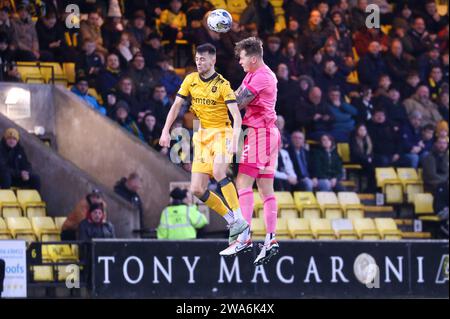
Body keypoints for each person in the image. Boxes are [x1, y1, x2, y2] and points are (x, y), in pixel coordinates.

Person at [159, 43, 247, 248]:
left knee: (218, 172)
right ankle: (231, 220)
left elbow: (236, 116)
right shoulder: (190, 80)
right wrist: (165, 130)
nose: (199, 63)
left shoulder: (223, 85)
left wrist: (235, 139)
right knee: (197, 189)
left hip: (223, 132)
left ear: (213, 60)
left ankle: (240, 218)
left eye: (203, 59)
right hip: (202, 135)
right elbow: (176, 106)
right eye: (197, 59)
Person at [221, 37, 280, 266]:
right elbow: (237, 96)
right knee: (266, 189)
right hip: (270, 134)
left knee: (242, 184)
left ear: (253, 58)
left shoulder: (261, 77)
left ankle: (244, 237)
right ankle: (270, 239)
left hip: (259, 134)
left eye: (242, 57)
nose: (240, 62)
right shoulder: (258, 74)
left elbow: (238, 101)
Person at [350, 124, 376, 192]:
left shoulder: (368, 139)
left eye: (364, 130)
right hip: (356, 159)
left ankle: (371, 188)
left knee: (375, 165)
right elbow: (356, 153)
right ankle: (368, 188)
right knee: (370, 167)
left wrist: (370, 158)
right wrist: (367, 159)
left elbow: (371, 151)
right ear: (357, 131)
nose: (362, 131)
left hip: (367, 160)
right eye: (360, 130)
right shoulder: (353, 139)